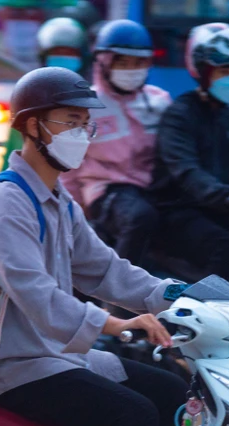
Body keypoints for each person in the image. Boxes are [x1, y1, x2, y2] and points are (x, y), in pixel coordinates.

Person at [0, 67, 188, 426]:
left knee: (174, 396)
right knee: (135, 416)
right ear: (31, 126)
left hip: (54, 355)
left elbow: (104, 269)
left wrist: (177, 296)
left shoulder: (57, 199)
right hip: (12, 364)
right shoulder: (7, 203)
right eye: (69, 120)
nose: (82, 133)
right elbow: (35, 293)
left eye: (86, 123)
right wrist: (118, 325)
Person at [149, 23, 229, 287]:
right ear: (203, 72)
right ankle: (216, 321)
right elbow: (187, 173)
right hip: (179, 214)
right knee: (226, 248)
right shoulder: (179, 115)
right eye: (224, 71)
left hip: (222, 210)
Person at [60, 19, 171, 269]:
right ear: (104, 63)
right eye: (123, 62)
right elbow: (68, 166)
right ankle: (118, 300)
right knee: (140, 218)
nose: (132, 70)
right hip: (105, 192)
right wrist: (77, 212)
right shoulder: (86, 105)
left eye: (139, 63)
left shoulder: (159, 101)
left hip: (153, 190)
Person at [0, 17, 89, 171]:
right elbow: (14, 149)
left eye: (70, 53)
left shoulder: (88, 99)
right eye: (57, 52)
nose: (64, 57)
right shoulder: (29, 97)